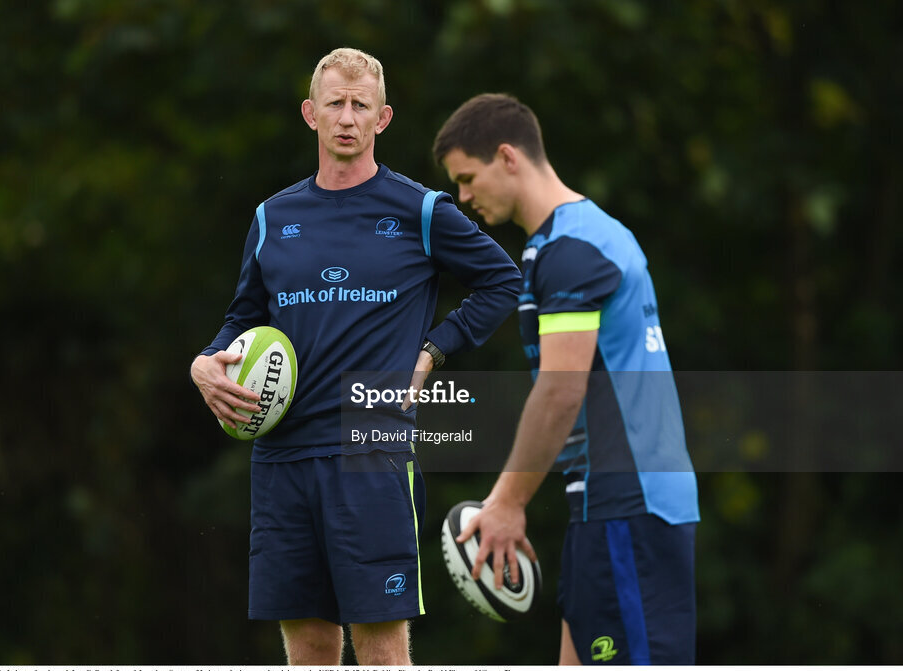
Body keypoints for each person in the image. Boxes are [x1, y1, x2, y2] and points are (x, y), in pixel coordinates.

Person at [191, 51, 521, 665]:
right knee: (310, 648)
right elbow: (242, 320)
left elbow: (503, 280)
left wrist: (433, 351)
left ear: (383, 118)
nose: (347, 118)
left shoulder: (420, 211)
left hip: (371, 455)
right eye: (335, 104)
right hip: (281, 457)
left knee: (381, 649)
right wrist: (204, 362)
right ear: (309, 114)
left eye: (360, 105)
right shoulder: (272, 217)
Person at [432, 93, 699, 665]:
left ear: (508, 157)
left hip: (627, 506)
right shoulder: (581, 236)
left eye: (467, 178)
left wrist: (505, 502)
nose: (463, 197)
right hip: (612, 505)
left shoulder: (571, 251)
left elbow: (559, 389)